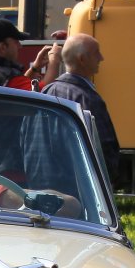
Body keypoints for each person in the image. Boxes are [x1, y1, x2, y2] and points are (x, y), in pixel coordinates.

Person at [0, 19, 56, 178]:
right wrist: (54, 61)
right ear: (2, 47)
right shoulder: (7, 78)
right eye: (16, 41)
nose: (19, 46)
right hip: (9, 172)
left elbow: (17, 92)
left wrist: (35, 68)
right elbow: (44, 94)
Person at [36, 34, 119, 170]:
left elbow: (29, 140)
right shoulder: (87, 98)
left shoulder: (45, 92)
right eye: (96, 53)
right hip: (76, 181)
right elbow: (103, 150)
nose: (101, 58)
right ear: (82, 59)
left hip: (41, 178)